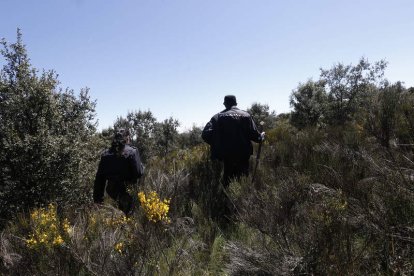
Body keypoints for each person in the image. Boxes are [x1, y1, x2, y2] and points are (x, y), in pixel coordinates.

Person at [201, 95, 264, 224]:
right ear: (236, 103)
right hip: (243, 157)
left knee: (228, 183)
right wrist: (262, 136)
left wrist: (218, 145)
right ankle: (244, 212)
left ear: (224, 104)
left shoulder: (217, 117)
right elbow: (256, 137)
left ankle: (228, 214)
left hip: (227, 157)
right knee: (243, 182)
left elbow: (205, 134)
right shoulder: (246, 116)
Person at [93, 128, 144, 215]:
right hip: (129, 191)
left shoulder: (105, 154)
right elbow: (138, 173)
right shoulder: (132, 152)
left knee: (117, 215)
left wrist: (98, 200)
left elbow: (99, 179)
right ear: (127, 138)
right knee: (130, 216)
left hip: (112, 192)